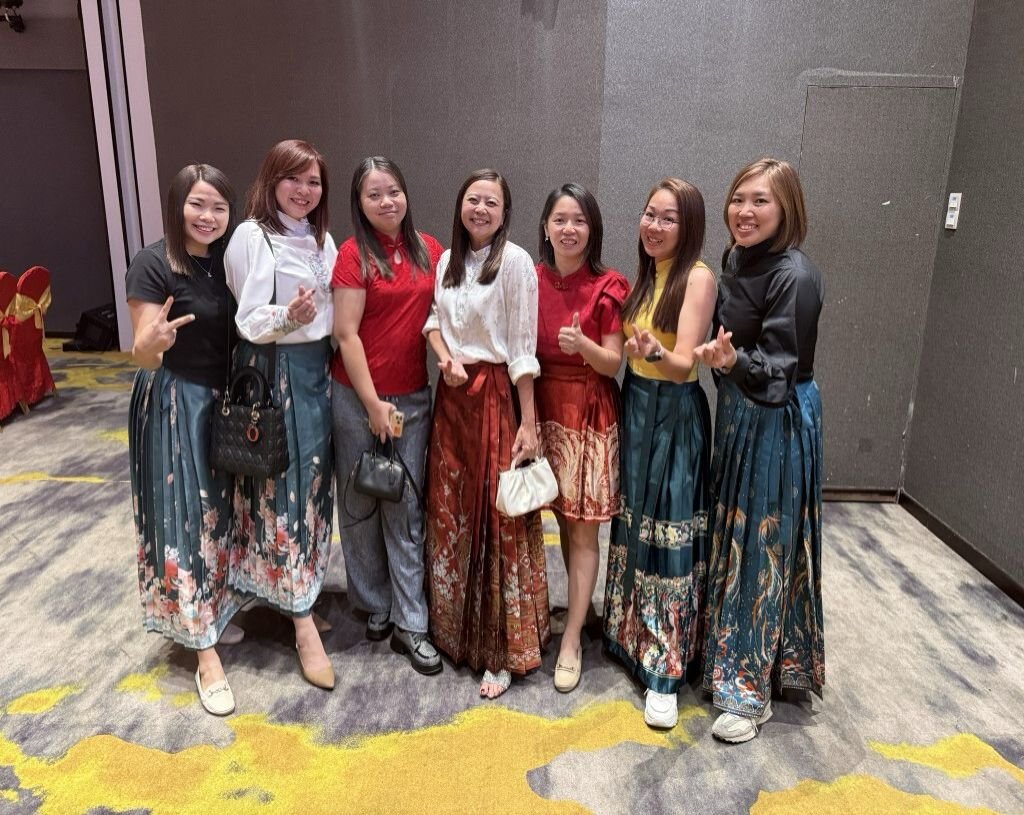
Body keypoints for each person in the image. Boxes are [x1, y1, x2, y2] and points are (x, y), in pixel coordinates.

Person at [695, 157, 825, 743]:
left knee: (761, 546)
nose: (744, 212)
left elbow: (777, 373)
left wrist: (732, 361)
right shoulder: (737, 259)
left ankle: (750, 693)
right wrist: (724, 361)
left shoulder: (794, 274)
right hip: (738, 412)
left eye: (760, 201)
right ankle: (730, 656)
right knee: (734, 535)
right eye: (738, 198)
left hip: (777, 420)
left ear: (786, 207)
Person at [423, 168, 549, 698]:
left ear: (504, 213)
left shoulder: (515, 263)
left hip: (495, 396)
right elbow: (434, 322)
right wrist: (446, 360)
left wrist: (529, 421)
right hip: (452, 399)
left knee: (497, 521)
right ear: (460, 205)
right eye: (473, 199)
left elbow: (522, 348)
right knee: (450, 513)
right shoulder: (447, 261)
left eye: (491, 203)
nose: (480, 209)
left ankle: (499, 650)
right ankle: (452, 631)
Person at [127, 163, 242, 715]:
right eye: (197, 204)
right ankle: (203, 652)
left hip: (222, 400)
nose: (208, 216)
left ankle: (210, 611)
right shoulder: (153, 262)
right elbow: (142, 353)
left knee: (218, 512)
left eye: (218, 207)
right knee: (181, 518)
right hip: (175, 399)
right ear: (177, 206)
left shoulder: (227, 259)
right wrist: (152, 342)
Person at [224, 139, 338, 690]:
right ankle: (300, 621)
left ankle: (300, 591)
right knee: (282, 491)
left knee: (313, 488)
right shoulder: (253, 235)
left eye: (313, 182)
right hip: (278, 371)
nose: (304, 190)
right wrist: (288, 318)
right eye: (293, 179)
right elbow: (248, 319)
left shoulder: (321, 237)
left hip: (318, 372)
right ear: (271, 181)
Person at [602, 178, 717, 729]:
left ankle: (665, 672)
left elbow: (683, 364)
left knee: (669, 529)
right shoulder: (647, 274)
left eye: (668, 218)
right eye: (650, 214)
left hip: (674, 410)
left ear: (688, 226)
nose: (655, 226)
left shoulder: (698, 277)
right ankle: (629, 636)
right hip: (636, 404)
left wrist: (653, 352)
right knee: (635, 521)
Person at [331, 156, 445, 675]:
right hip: (355, 397)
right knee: (359, 503)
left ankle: (411, 622)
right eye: (373, 194)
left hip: (412, 399)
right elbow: (345, 334)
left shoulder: (430, 250)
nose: (386, 201)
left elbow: (440, 317)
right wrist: (373, 404)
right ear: (359, 202)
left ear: (406, 194)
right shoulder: (353, 255)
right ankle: (374, 602)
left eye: (393, 191)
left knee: (405, 506)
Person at [533, 183, 628, 693]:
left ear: (593, 229)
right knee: (560, 518)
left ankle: (571, 640)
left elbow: (613, 363)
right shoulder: (530, 279)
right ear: (546, 227)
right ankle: (580, 607)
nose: (569, 229)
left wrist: (583, 345)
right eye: (560, 220)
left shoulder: (608, 285)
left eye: (579, 221)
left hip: (588, 408)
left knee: (584, 527)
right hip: (543, 406)